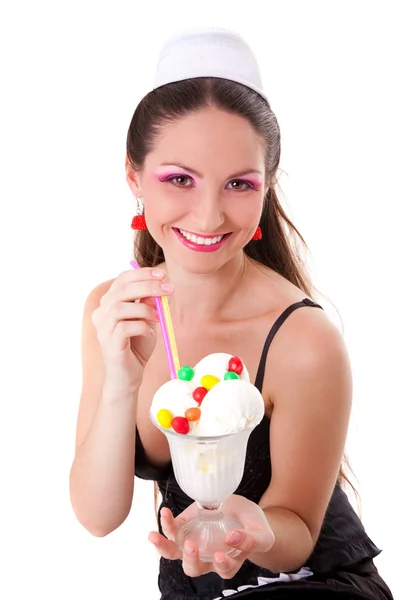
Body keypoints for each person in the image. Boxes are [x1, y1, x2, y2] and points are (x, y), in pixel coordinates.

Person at [69, 28, 393, 600]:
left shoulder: (303, 339)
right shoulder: (113, 312)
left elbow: (297, 529)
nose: (210, 214)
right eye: (179, 179)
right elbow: (98, 516)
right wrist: (121, 378)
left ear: (265, 188)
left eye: (239, 184)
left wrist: (257, 530)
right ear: (133, 175)